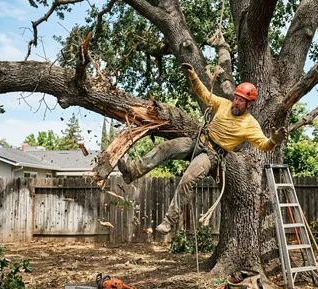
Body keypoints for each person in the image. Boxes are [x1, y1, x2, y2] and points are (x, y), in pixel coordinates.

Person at [118, 63, 287, 235]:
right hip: (198, 140)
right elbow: (205, 94)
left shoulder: (250, 124)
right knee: (165, 147)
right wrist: (193, 76)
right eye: (236, 97)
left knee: (187, 179)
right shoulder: (224, 104)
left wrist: (274, 140)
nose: (236, 102)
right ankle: (132, 172)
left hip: (211, 155)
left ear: (249, 104)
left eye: (241, 100)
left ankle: (168, 222)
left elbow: (264, 145)